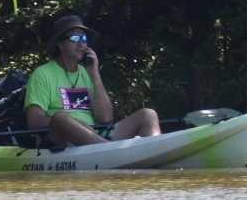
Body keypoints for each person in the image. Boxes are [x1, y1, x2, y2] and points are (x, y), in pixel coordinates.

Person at [24, 14, 161, 145]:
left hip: (95, 136)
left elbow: (106, 118)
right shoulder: (42, 74)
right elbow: (35, 121)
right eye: (75, 39)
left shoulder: (86, 72)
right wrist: (74, 124)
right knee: (61, 117)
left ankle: (155, 154)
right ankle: (110, 151)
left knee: (148, 114)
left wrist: (94, 74)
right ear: (60, 44)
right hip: (63, 140)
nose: (82, 45)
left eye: (84, 39)